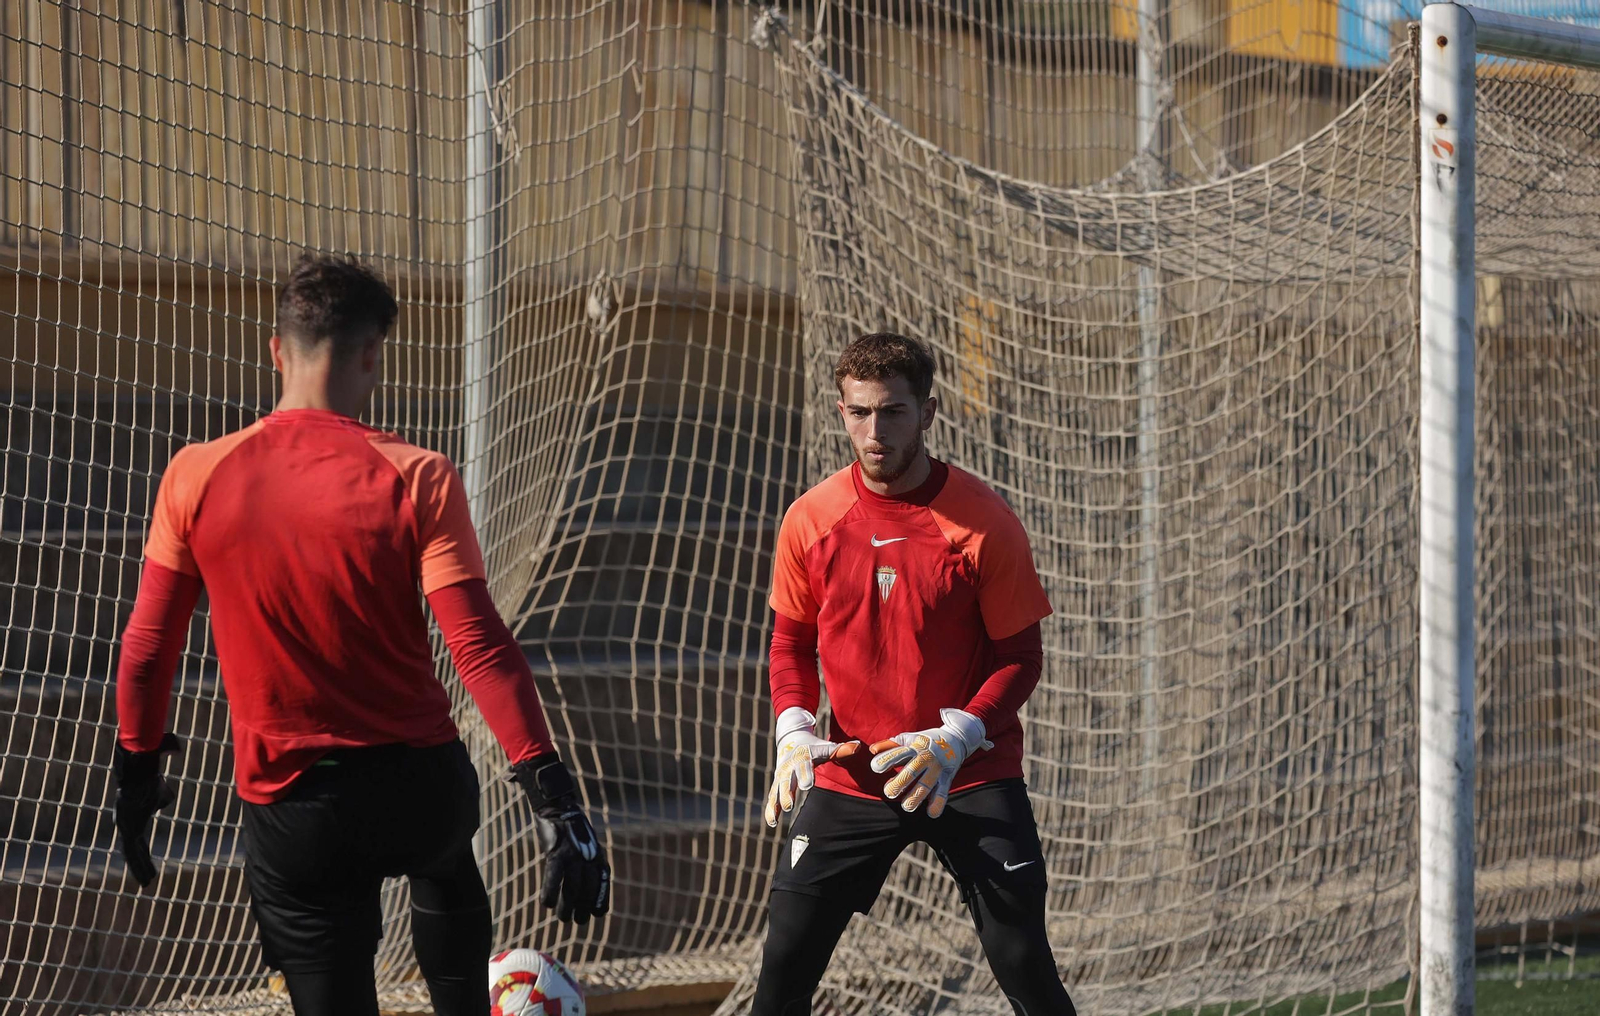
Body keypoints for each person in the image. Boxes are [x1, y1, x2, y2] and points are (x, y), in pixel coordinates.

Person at [111, 254, 610, 1016]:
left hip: (293, 807)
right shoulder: (419, 474)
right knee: (444, 862)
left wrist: (138, 774)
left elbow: (148, 652)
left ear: (277, 350)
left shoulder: (195, 473)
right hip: (418, 789)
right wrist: (555, 795)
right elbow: (477, 645)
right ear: (374, 354)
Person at [754, 332, 1076, 1015]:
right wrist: (791, 725)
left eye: (893, 412)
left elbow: (1023, 659)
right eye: (859, 412)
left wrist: (959, 737)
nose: (874, 432)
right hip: (853, 769)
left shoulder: (984, 524)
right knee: (782, 967)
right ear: (840, 410)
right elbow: (790, 644)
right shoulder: (809, 520)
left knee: (1025, 965)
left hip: (969, 772)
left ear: (928, 413)